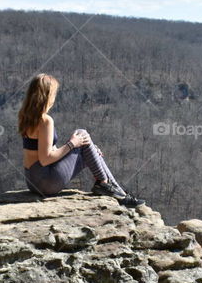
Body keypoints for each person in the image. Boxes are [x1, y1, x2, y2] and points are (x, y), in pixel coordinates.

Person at [18, 73, 144, 207]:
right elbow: (45, 158)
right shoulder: (45, 121)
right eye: (53, 94)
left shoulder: (26, 115)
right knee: (82, 135)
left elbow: (42, 151)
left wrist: (86, 149)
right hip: (45, 182)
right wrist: (72, 144)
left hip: (33, 180)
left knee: (87, 146)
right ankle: (109, 188)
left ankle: (112, 189)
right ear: (47, 95)